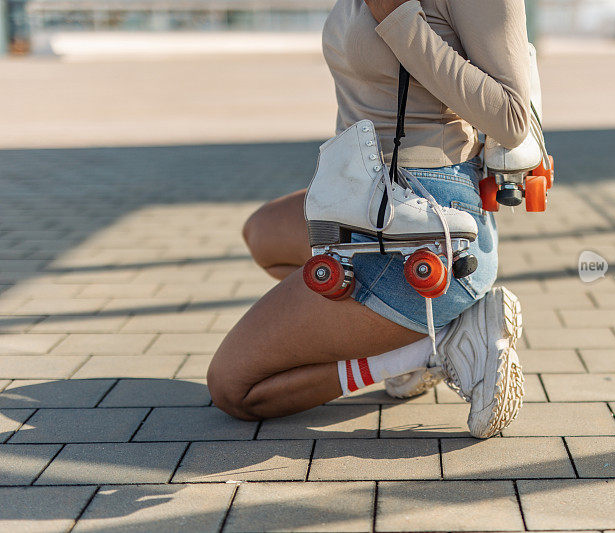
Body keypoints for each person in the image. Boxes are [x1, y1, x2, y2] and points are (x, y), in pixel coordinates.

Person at [207, 0, 532, 438]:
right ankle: (417, 335)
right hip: (365, 194)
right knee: (263, 232)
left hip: (426, 221)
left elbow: (512, 119)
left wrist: (397, 17)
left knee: (235, 388)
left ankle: (429, 348)